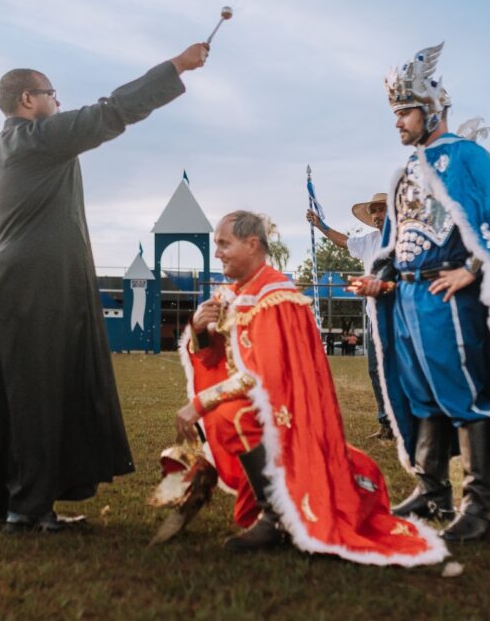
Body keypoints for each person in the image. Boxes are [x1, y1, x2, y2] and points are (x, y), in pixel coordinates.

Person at [0, 41, 210, 532]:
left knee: (13, 389)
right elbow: (111, 111)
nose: (58, 101)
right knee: (40, 389)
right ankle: (27, 510)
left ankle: (5, 498)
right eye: (51, 93)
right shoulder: (39, 138)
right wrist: (177, 66)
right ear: (28, 100)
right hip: (35, 278)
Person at [352, 43, 490, 542]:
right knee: (422, 396)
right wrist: (381, 281)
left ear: (432, 110)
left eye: (405, 111)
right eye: (396, 112)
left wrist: (472, 269)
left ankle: (477, 505)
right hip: (406, 300)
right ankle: (432, 490)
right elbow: (395, 242)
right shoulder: (405, 171)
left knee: (462, 395)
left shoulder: (469, 158)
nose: (397, 121)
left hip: (446, 301)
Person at [174, 211, 448, 565]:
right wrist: (199, 330)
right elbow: (215, 360)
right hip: (262, 403)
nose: (218, 253)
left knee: (230, 414)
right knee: (225, 414)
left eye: (224, 244)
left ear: (251, 244)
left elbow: (260, 377)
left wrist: (201, 402)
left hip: (286, 408)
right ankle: (244, 487)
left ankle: (276, 516)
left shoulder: (275, 297)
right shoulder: (234, 295)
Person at [307, 193, 392, 439]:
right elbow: (342, 241)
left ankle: (409, 423)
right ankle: (386, 424)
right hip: (375, 316)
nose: (377, 215)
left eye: (382, 209)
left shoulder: (404, 239)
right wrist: (320, 224)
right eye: (374, 211)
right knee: (376, 370)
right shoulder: (369, 241)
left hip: (401, 316)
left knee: (403, 370)